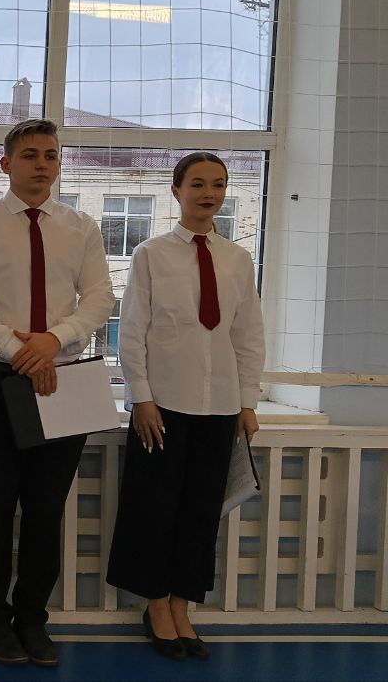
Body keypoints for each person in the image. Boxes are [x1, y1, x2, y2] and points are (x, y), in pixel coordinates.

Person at [0, 119, 114, 667]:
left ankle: (32, 618)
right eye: (29, 155)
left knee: (46, 508)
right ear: (6, 164)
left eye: (50, 155)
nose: (41, 164)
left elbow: (99, 299)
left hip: (64, 378)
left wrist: (52, 341)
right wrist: (19, 352)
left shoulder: (81, 227)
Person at [107, 152, 264, 660]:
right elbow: (132, 330)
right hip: (163, 406)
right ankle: (155, 605)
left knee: (200, 512)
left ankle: (182, 605)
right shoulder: (151, 255)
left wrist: (246, 401)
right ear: (176, 191)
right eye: (197, 184)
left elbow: (247, 335)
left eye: (217, 184)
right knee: (154, 509)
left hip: (220, 406)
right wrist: (142, 397)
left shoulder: (237, 260)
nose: (208, 193)